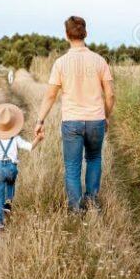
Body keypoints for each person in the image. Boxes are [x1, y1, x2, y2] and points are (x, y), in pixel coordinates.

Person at [35, 16, 115, 213]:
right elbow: (110, 94)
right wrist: (106, 116)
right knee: (94, 159)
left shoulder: (61, 63)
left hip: (71, 122)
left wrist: (40, 120)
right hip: (96, 119)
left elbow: (50, 96)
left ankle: (75, 209)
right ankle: (92, 201)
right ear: (85, 33)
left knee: (72, 167)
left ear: (66, 36)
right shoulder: (99, 60)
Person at [0, 103, 43, 231]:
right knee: (10, 184)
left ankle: (0, 224)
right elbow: (29, 147)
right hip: (11, 167)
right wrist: (38, 139)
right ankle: (9, 201)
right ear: (12, 125)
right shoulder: (15, 138)